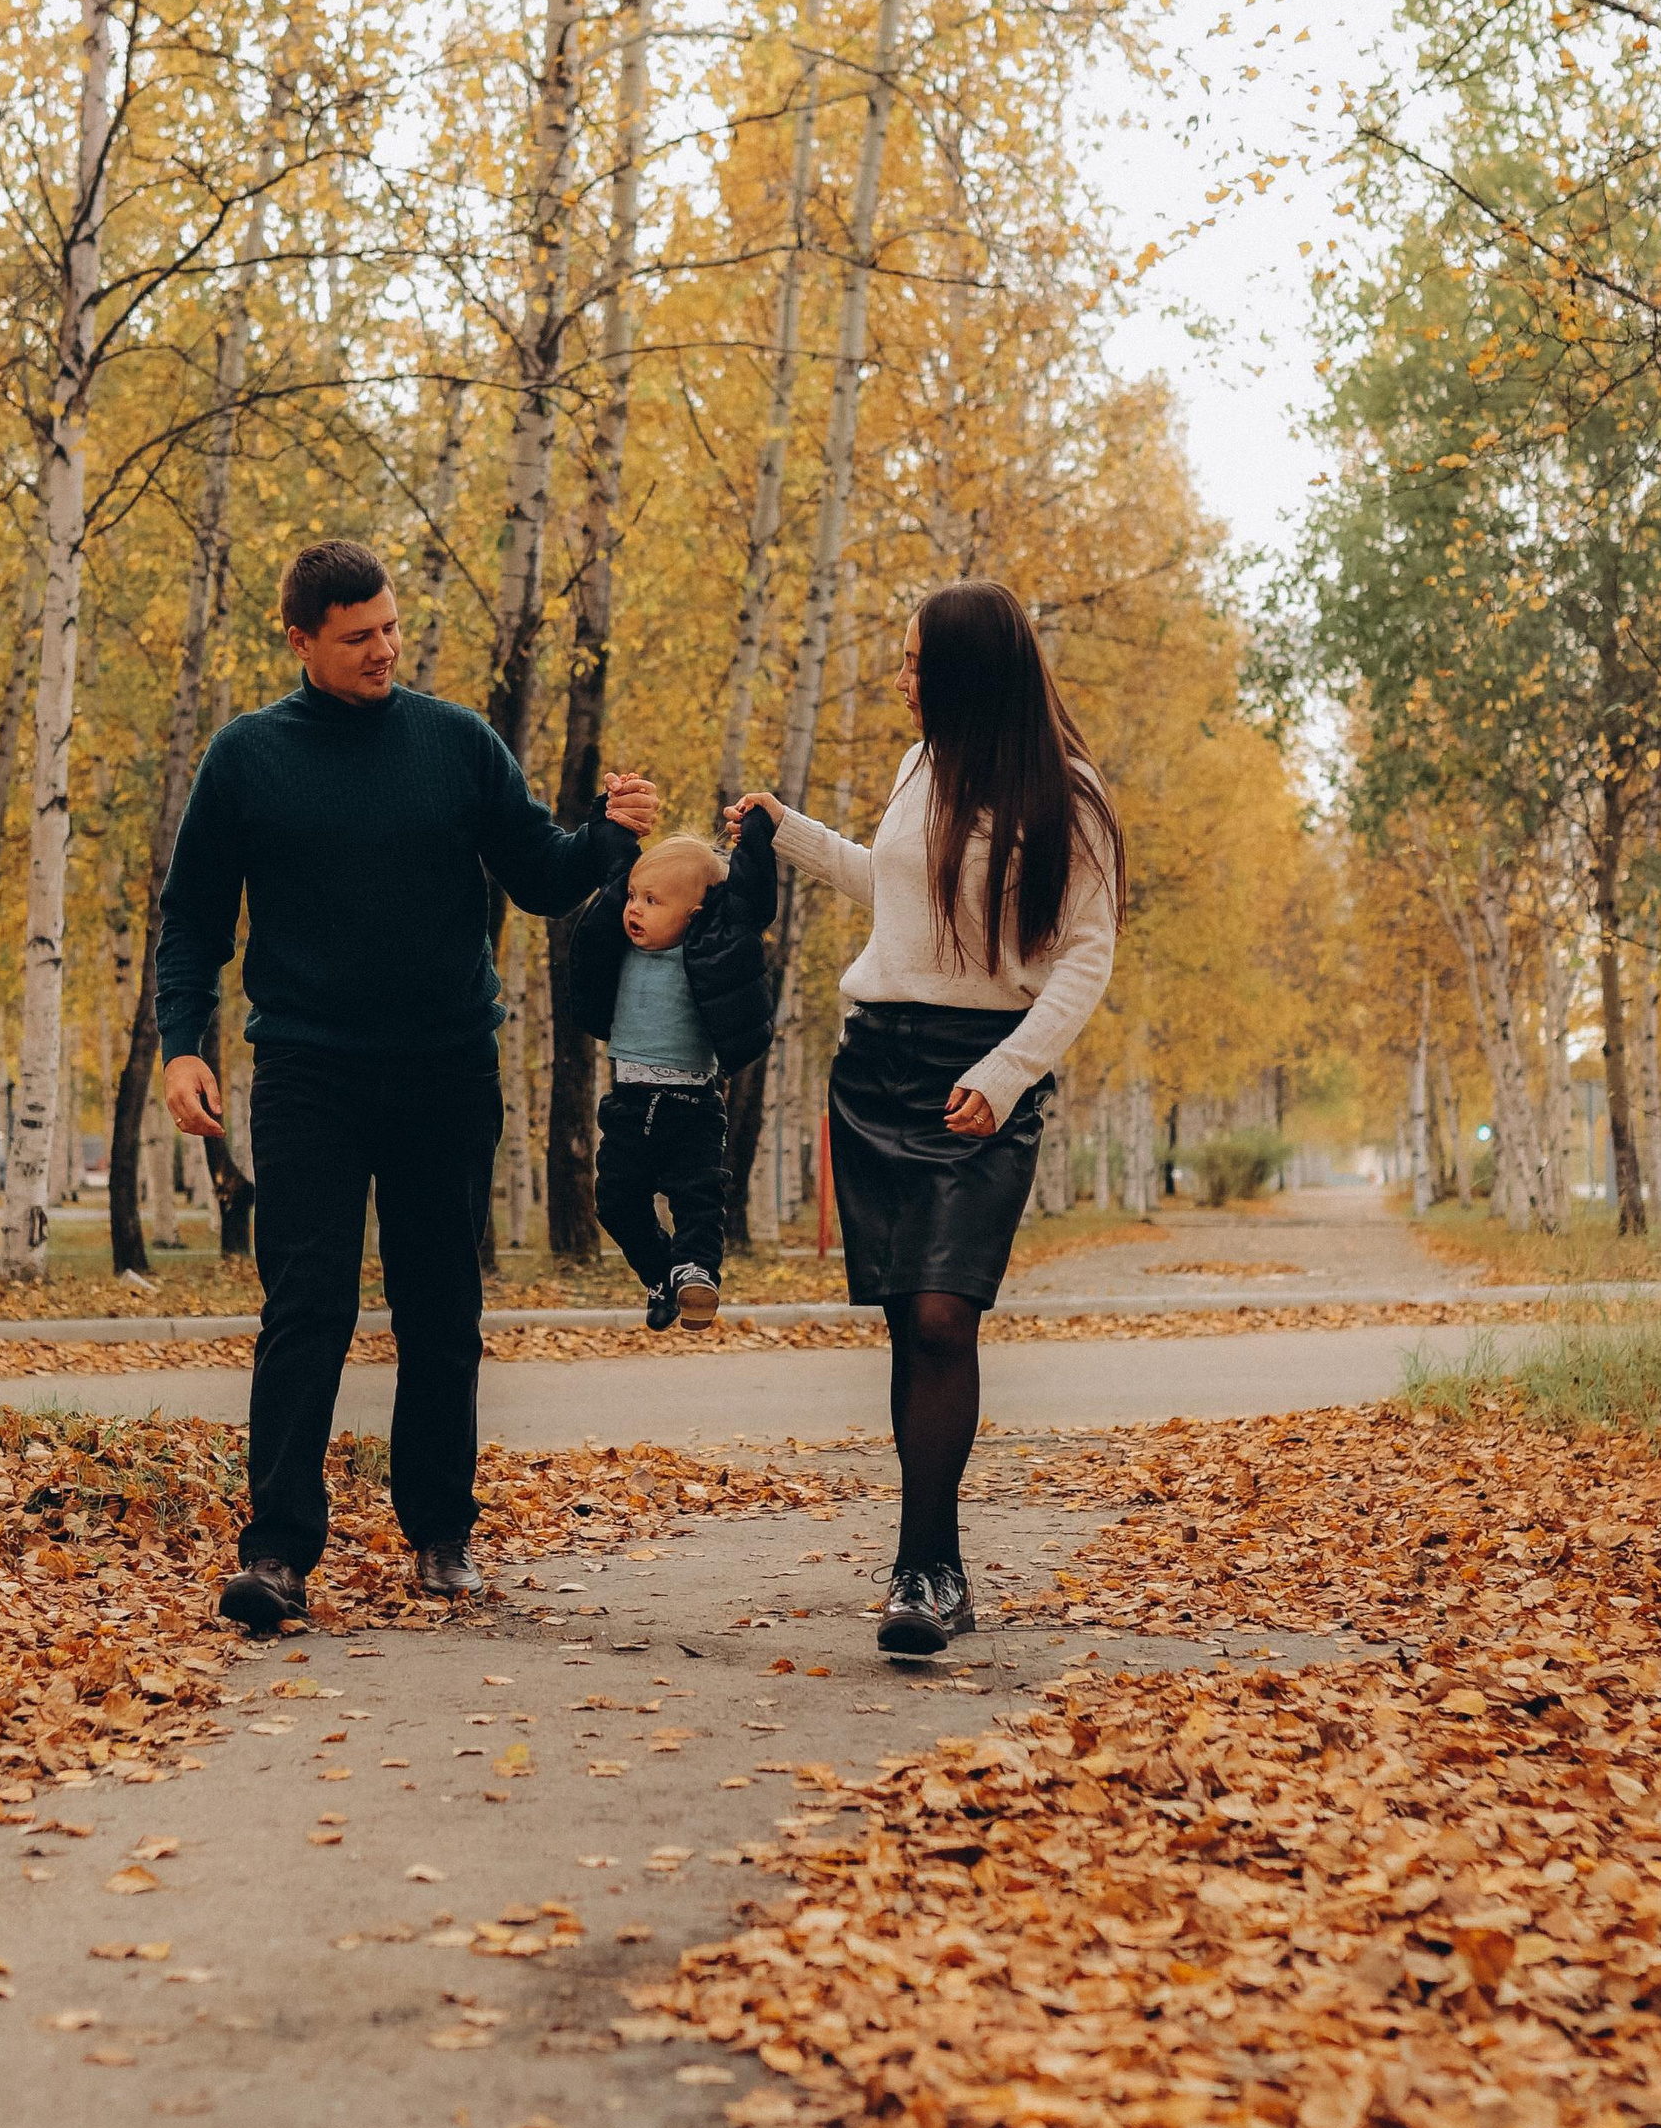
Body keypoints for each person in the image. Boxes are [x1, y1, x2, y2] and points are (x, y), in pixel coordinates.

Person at [157, 538, 659, 1631]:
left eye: (390, 627)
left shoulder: (455, 742)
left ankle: (442, 1537)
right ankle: (278, 1555)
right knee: (306, 1305)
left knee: (442, 1307)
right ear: (300, 640)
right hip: (306, 1069)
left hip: (444, 1065)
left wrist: (608, 841)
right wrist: (182, 1041)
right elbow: (192, 917)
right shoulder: (246, 757)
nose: (384, 647)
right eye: (358, 636)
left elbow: (537, 874)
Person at [731, 581, 1124, 1657]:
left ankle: (925, 1564)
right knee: (911, 1319)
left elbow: (1084, 954)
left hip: (977, 1080)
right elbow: (895, 891)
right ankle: (929, 1564)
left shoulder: (1068, 797)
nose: (898, 679)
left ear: (963, 673)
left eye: (911, 664)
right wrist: (790, 834)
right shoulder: (918, 767)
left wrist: (1006, 1074)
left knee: (948, 1314)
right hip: (878, 1069)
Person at [567, 813, 778, 1329]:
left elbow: (751, 903)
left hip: (692, 1106)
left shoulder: (712, 949)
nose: (634, 909)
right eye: (634, 897)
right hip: (628, 1103)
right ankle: (661, 1275)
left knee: (698, 1196)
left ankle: (697, 1273)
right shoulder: (617, 949)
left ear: (697, 913)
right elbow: (616, 870)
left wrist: (753, 837)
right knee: (615, 1202)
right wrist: (615, 819)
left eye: (653, 901)